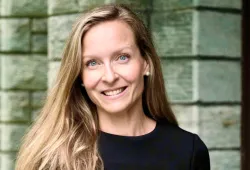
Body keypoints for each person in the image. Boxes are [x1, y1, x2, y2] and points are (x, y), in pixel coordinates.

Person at [15, 4, 210, 170]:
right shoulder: (54, 157)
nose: (109, 76)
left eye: (122, 58)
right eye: (92, 63)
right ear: (80, 76)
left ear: (146, 63)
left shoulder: (188, 151)